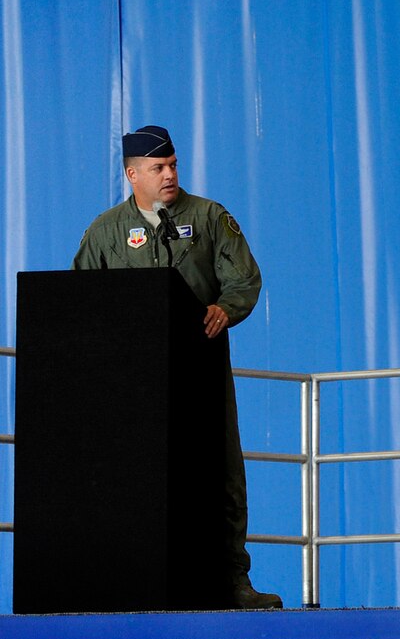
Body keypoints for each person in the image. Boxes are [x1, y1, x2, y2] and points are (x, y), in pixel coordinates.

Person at [72, 125, 282, 610]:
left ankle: (232, 580)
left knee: (221, 468)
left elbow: (244, 278)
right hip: (132, 381)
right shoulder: (105, 231)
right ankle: (127, 576)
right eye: (156, 168)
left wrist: (224, 308)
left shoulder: (208, 217)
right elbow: (80, 295)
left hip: (200, 370)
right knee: (133, 474)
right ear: (132, 174)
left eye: (172, 165)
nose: (168, 175)